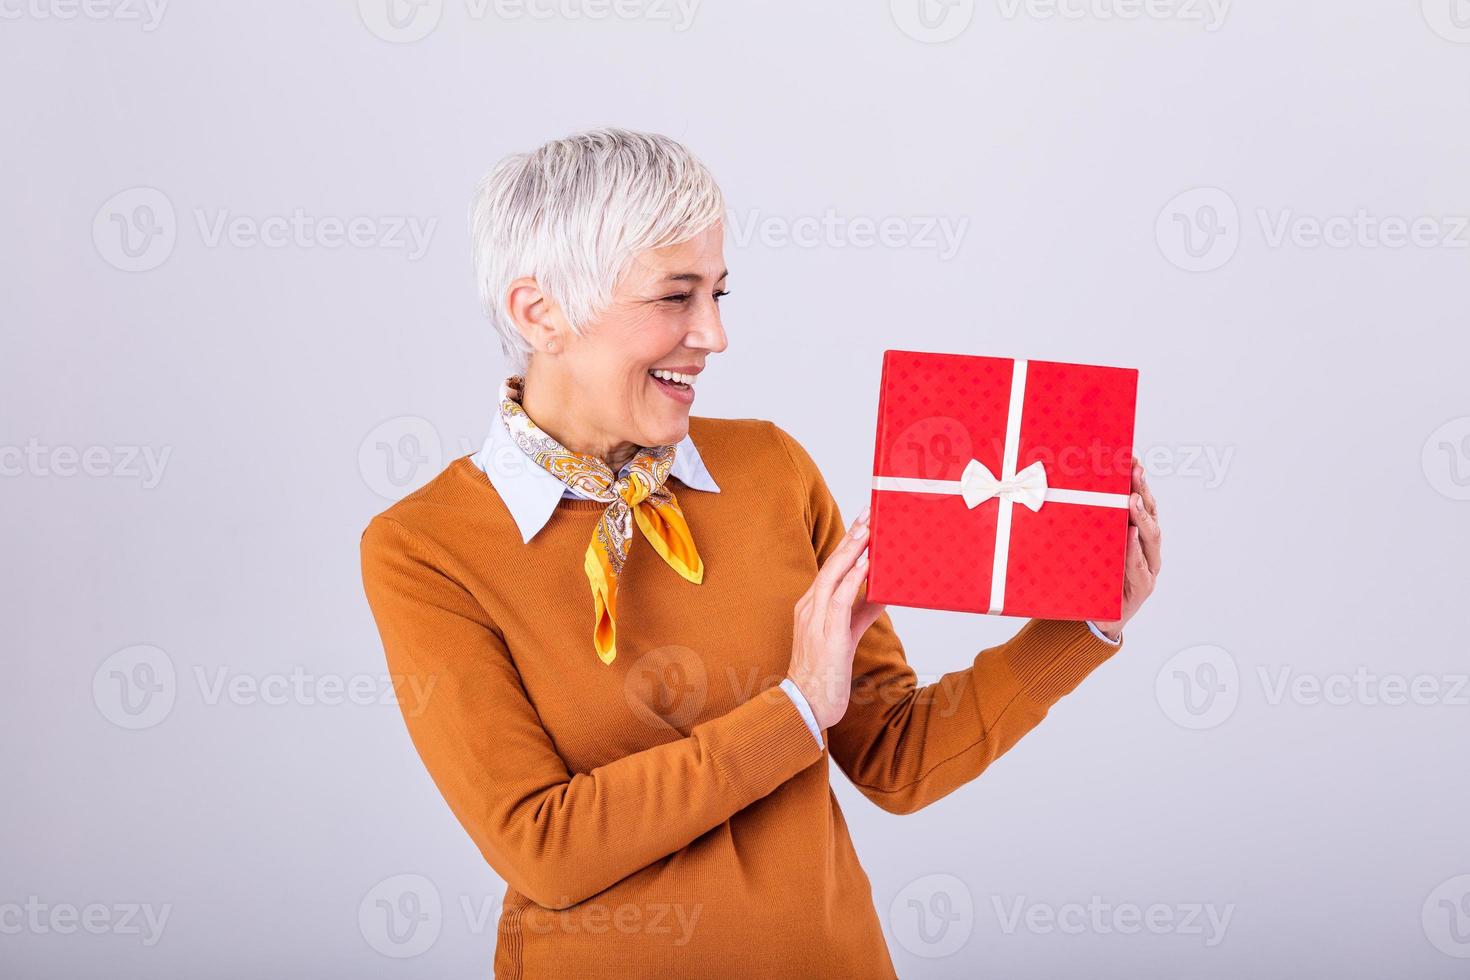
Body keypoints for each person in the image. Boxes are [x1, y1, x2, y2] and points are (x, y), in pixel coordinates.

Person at [359, 127, 1162, 978]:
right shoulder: (425, 549)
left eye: (719, 293)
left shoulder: (770, 468)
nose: (714, 334)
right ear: (540, 312)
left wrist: (1082, 626)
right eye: (675, 297)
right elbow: (545, 848)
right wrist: (792, 709)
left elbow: (897, 759)